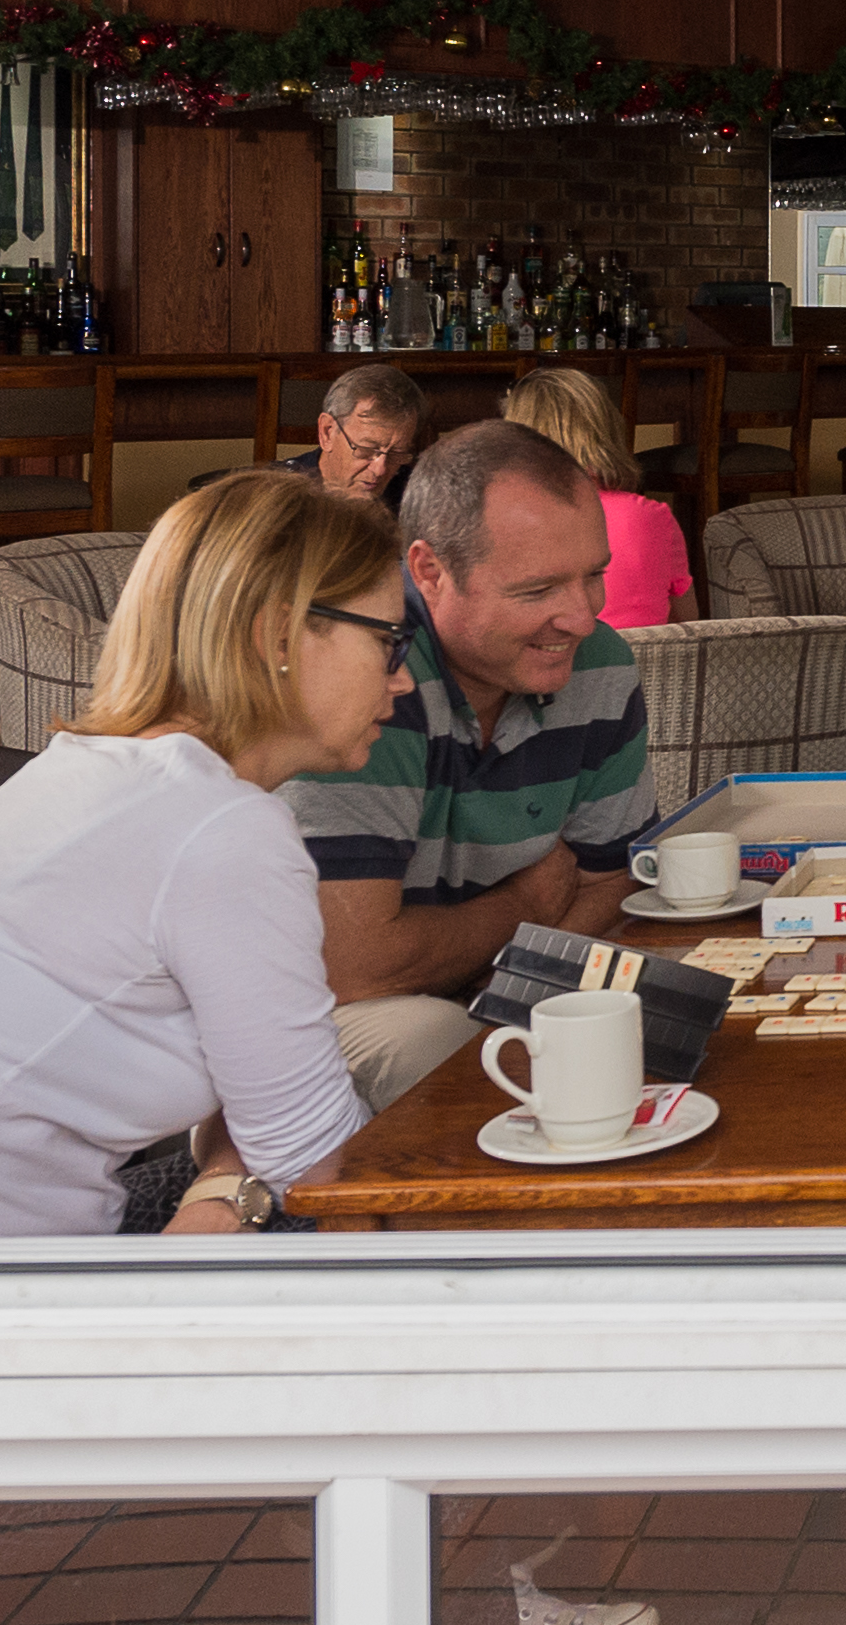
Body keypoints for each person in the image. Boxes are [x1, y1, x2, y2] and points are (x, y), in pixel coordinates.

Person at [0, 474, 406, 1238]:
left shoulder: (94, 775)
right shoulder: (220, 827)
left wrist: (225, 1180)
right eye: (388, 640)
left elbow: (272, 1115)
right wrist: (232, 1184)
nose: (404, 676)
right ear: (278, 635)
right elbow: (318, 1160)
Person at [288, 421, 650, 1111]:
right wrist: (526, 905)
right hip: (311, 1008)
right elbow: (357, 966)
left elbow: (613, 885)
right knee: (436, 1039)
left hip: (489, 990)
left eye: (594, 576)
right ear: (429, 571)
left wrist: (503, 988)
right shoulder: (365, 673)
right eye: (538, 589)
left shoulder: (597, 663)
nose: (582, 617)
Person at [502, 365, 693, 630]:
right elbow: (688, 624)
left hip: (563, 665)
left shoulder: (511, 522)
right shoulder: (654, 515)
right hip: (647, 667)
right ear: (609, 429)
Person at [285, 360, 429, 513]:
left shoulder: (414, 496)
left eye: (397, 454)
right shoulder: (274, 496)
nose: (380, 470)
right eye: (366, 450)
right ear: (327, 432)